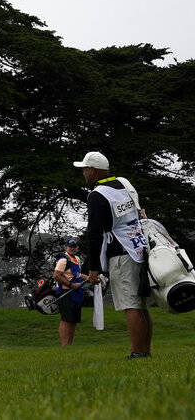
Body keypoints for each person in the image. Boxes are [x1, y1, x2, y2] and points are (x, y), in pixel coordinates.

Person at [74, 151, 152, 359]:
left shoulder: (97, 195)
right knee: (140, 305)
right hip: (139, 247)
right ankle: (145, 351)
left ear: (93, 170)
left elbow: (94, 233)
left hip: (120, 252)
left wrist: (92, 268)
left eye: (85, 169)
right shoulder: (124, 183)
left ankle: (138, 353)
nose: (83, 173)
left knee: (130, 304)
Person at [52, 237, 86, 346]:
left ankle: (69, 345)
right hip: (66, 293)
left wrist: (90, 278)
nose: (72, 248)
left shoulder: (77, 259)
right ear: (66, 247)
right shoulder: (63, 260)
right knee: (66, 319)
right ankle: (64, 345)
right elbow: (56, 275)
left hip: (76, 294)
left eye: (74, 247)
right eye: (70, 246)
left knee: (73, 320)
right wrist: (70, 284)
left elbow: (78, 275)